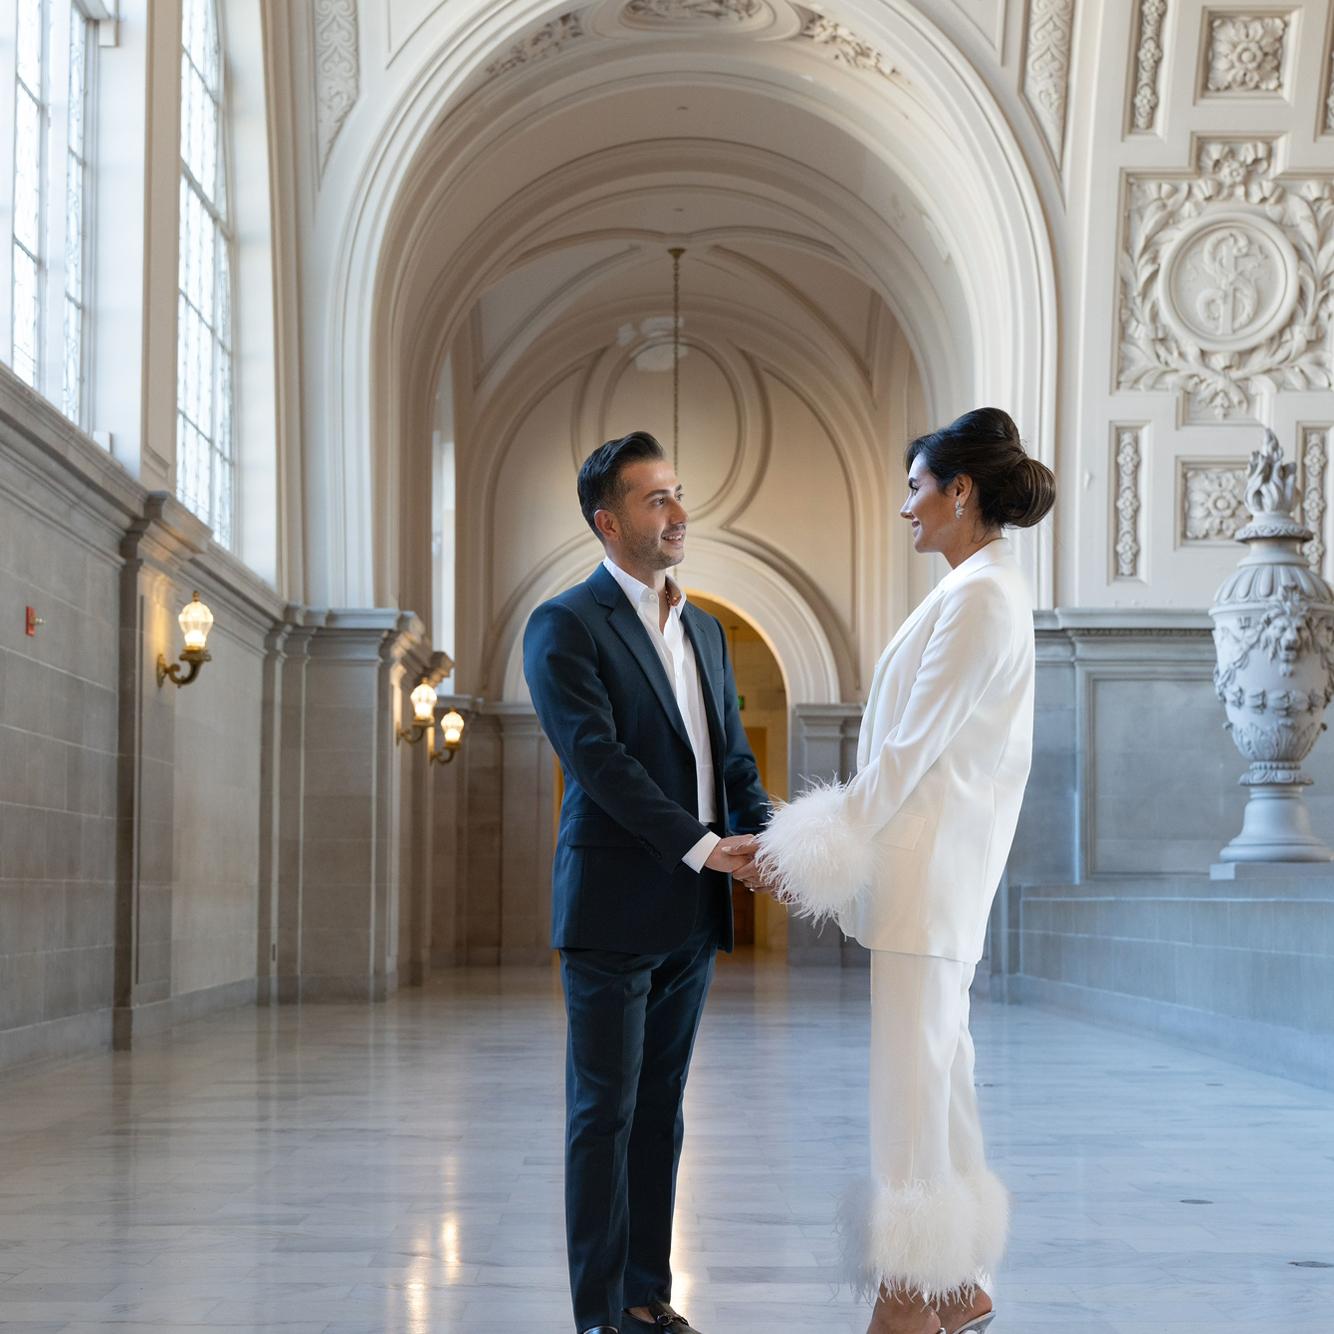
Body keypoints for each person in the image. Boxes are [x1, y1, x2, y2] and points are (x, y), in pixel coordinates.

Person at [744, 408, 1056, 1334]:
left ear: (961, 491)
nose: (906, 506)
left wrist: (793, 849)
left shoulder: (979, 599)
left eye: (917, 486)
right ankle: (957, 1285)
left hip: (929, 879)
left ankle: (913, 1295)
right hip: (933, 878)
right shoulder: (977, 590)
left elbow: (906, 754)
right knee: (940, 1073)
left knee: (912, 1087)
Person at [523, 430, 769, 1334]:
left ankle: (643, 1297)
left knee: (660, 1113)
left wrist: (775, 842)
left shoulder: (702, 626)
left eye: (677, 494)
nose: (678, 513)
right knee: (604, 1113)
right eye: (656, 499)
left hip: (693, 916)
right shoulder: (565, 625)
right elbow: (602, 763)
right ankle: (597, 1314)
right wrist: (705, 846)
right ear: (608, 519)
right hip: (612, 909)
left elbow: (732, 761)